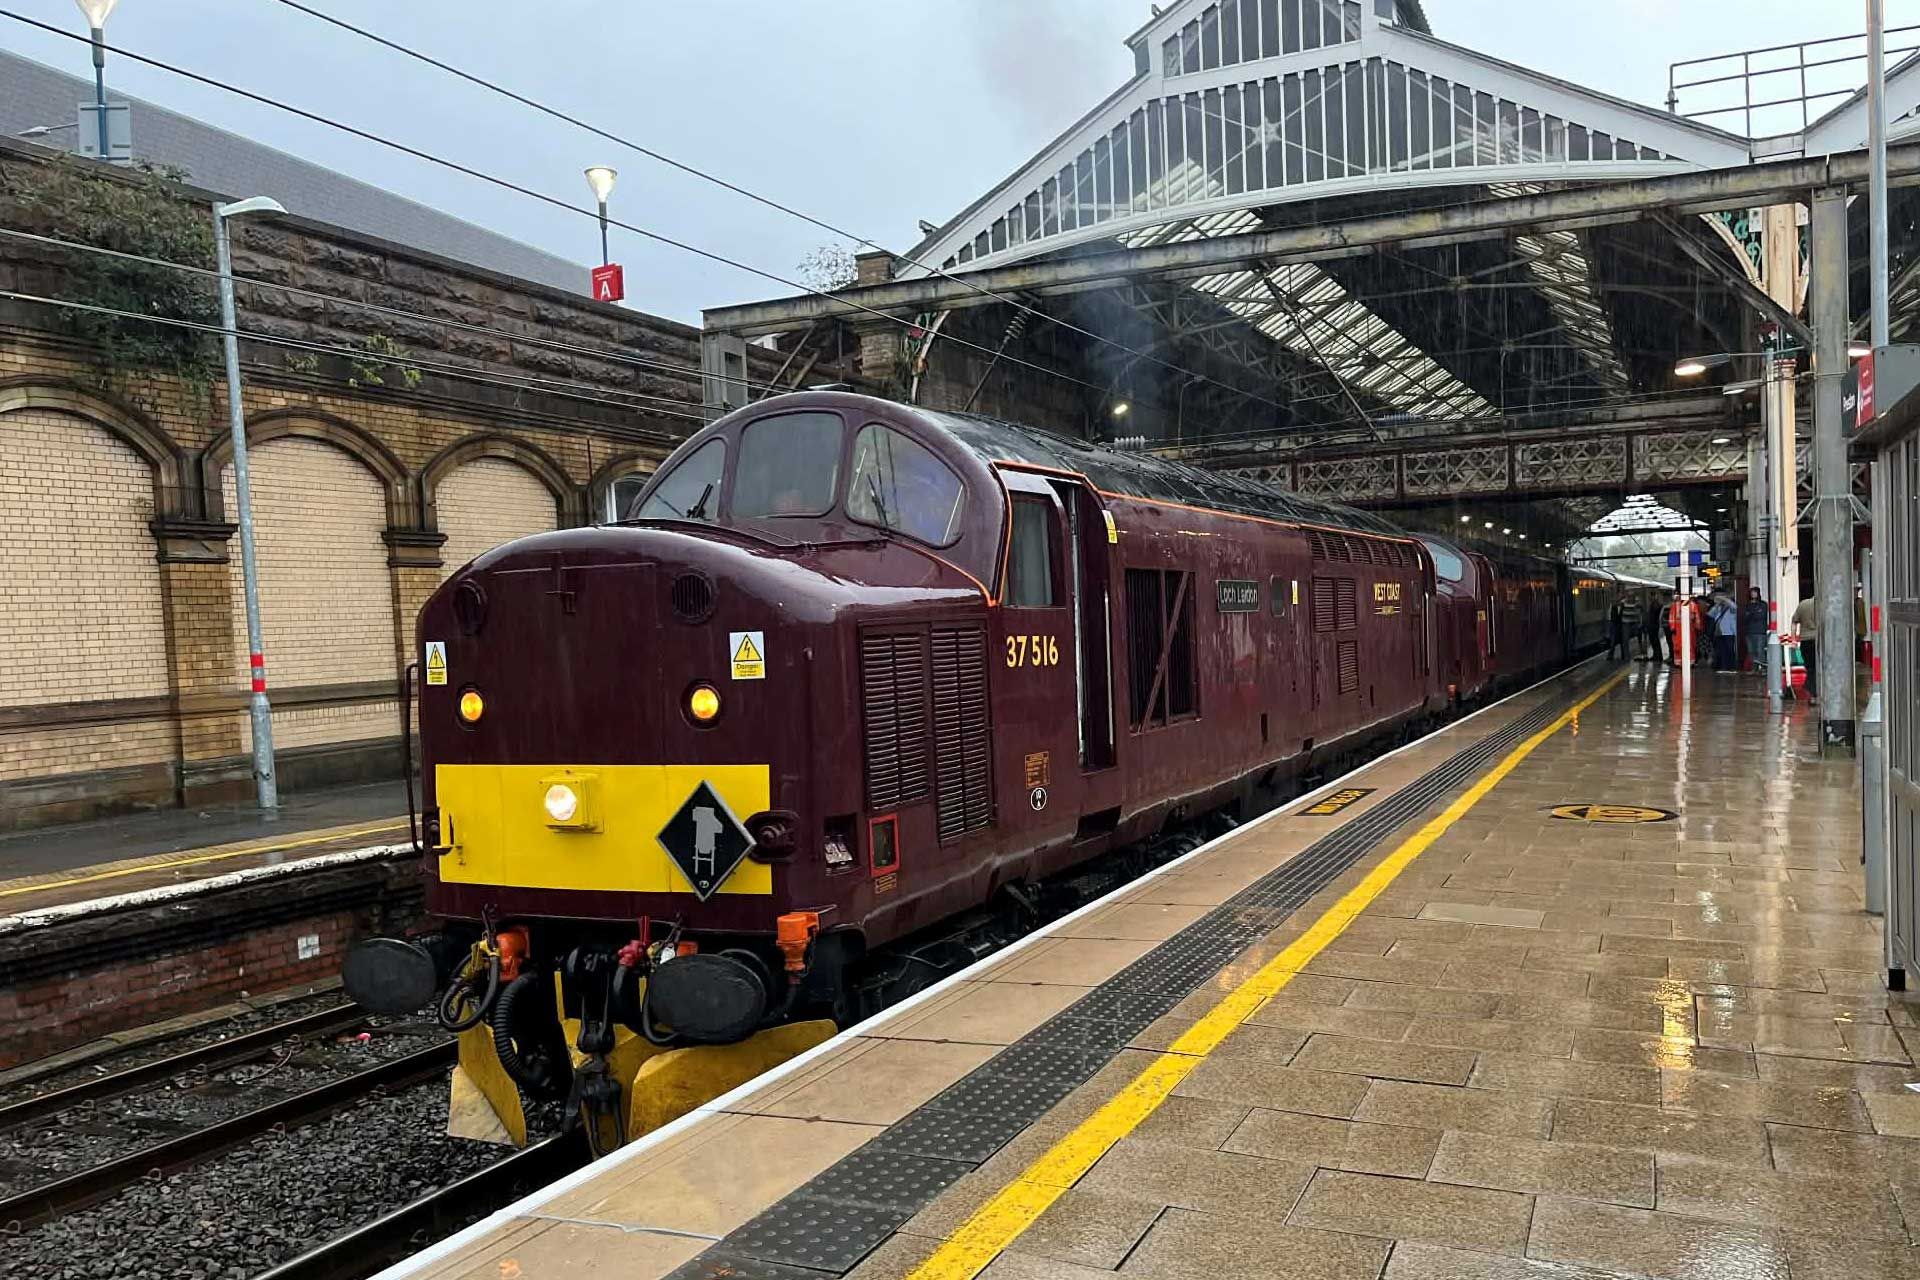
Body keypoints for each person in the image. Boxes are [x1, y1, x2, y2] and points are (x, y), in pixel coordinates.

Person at [1791, 591, 1819, 700]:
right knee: (1819, 667)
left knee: (1810, 667)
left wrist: (1793, 639)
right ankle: (1816, 691)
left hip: (1806, 640)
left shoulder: (1803, 604)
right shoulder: (1824, 605)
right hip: (1819, 639)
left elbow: (1794, 622)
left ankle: (1812, 692)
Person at [1740, 587, 1768, 675]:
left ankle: (1763, 668)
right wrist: (1753, 613)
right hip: (1749, 631)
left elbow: (1761, 616)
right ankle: (1754, 668)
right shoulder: (1747, 605)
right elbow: (1744, 617)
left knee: (1760, 650)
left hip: (1760, 631)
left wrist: (1751, 614)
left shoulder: (1763, 604)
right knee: (1751, 651)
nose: (1753, 594)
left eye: (1755, 592)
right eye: (1752, 592)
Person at [1709, 593, 1737, 672]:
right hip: (1718, 633)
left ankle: (1731, 667)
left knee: (1730, 650)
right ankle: (1723, 667)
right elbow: (1710, 614)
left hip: (1728, 633)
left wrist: (1725, 599)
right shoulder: (1718, 609)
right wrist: (1717, 605)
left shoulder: (1730, 609)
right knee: (1721, 650)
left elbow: (1734, 606)